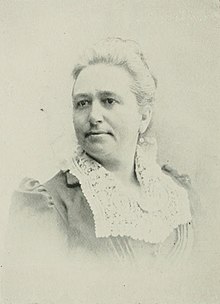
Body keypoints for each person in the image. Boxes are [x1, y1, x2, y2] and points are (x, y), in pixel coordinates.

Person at [3, 37, 198, 302]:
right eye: (82, 103)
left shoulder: (178, 193)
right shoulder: (48, 204)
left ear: (144, 116)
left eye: (108, 101)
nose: (94, 116)